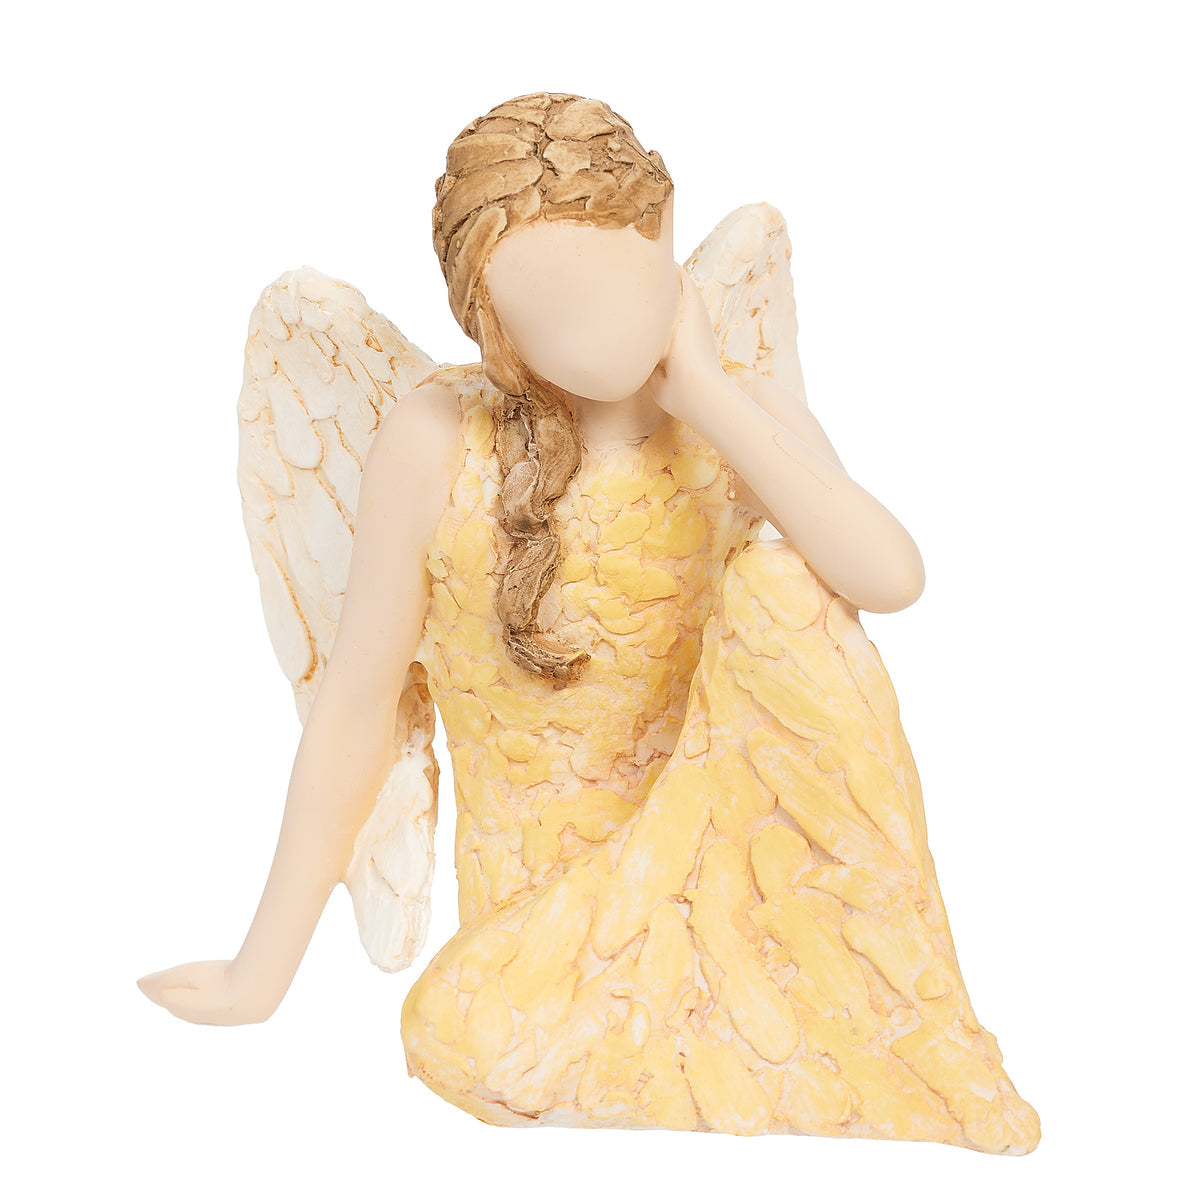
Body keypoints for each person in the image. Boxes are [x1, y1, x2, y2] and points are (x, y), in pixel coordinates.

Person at [139, 92, 1038, 1153]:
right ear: (494, 323)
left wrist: (708, 396)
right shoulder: (436, 439)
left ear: (666, 236)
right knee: (452, 1031)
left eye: (633, 279)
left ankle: (796, 1026)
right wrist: (260, 971)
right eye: (565, 309)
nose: (614, 329)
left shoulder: (738, 415)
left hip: (729, 875)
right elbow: (356, 704)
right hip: (542, 933)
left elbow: (889, 577)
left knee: (785, 587)